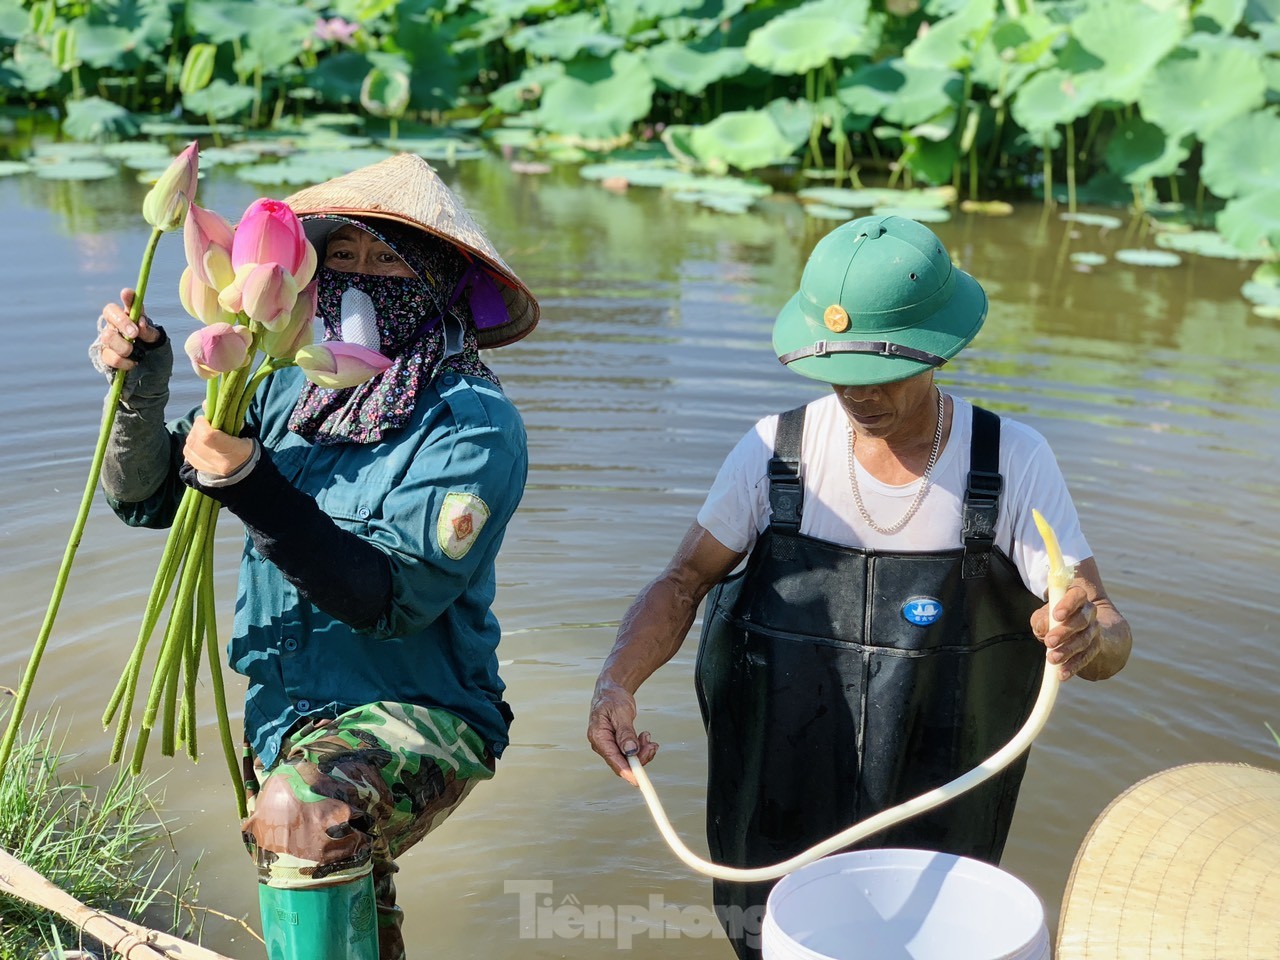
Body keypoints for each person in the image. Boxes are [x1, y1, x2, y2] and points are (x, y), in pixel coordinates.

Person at [587, 215, 1132, 958]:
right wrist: (616, 683)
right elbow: (682, 583)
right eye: (836, 369)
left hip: (941, 812)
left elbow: (1107, 631)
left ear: (939, 349)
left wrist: (1085, 633)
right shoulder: (771, 453)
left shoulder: (1011, 462)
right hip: (775, 798)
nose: (856, 392)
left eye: (880, 373)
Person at [91, 153, 539, 960]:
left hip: (421, 713)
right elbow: (147, 500)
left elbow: (389, 598)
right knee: (346, 900)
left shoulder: (473, 423)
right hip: (289, 721)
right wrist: (145, 383)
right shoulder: (283, 380)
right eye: (343, 256)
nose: (363, 276)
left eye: (390, 258)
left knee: (300, 815)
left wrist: (255, 484)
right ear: (310, 269)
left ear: (438, 275)